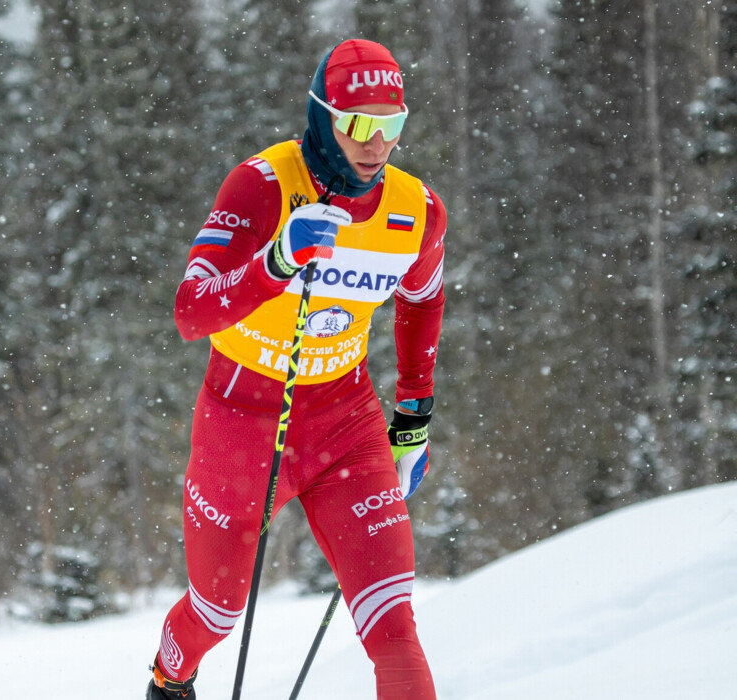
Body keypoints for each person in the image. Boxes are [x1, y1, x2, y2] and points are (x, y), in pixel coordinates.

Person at [147, 39, 446, 700]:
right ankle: (170, 679)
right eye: (358, 124)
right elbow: (191, 312)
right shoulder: (261, 184)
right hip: (242, 417)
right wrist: (276, 263)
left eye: (392, 125)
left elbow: (423, 300)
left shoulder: (414, 210)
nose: (376, 144)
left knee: (393, 626)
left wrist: (414, 416)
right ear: (322, 117)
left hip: (348, 421)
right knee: (216, 613)